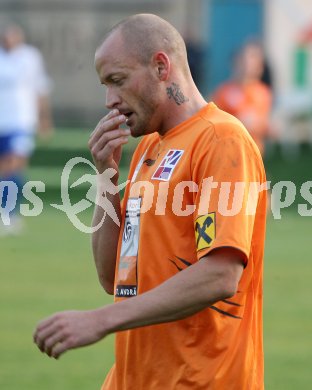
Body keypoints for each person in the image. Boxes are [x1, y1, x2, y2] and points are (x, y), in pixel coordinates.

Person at [34, 14, 267, 389]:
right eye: (105, 85)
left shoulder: (222, 140)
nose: (110, 100)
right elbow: (113, 278)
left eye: (118, 81)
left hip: (201, 380)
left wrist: (100, 320)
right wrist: (106, 175)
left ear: (161, 66)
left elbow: (221, 275)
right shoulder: (148, 148)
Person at [0, 23, 53, 234]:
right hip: (2, 122)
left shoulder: (30, 58)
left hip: (21, 121)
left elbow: (41, 89)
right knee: (5, 168)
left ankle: (11, 214)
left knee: (14, 164)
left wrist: (44, 119)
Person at [212, 41, 272, 156]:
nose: (248, 64)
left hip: (253, 152)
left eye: (254, 60)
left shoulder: (262, 92)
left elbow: (263, 124)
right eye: (244, 60)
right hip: (228, 151)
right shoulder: (223, 91)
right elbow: (214, 122)